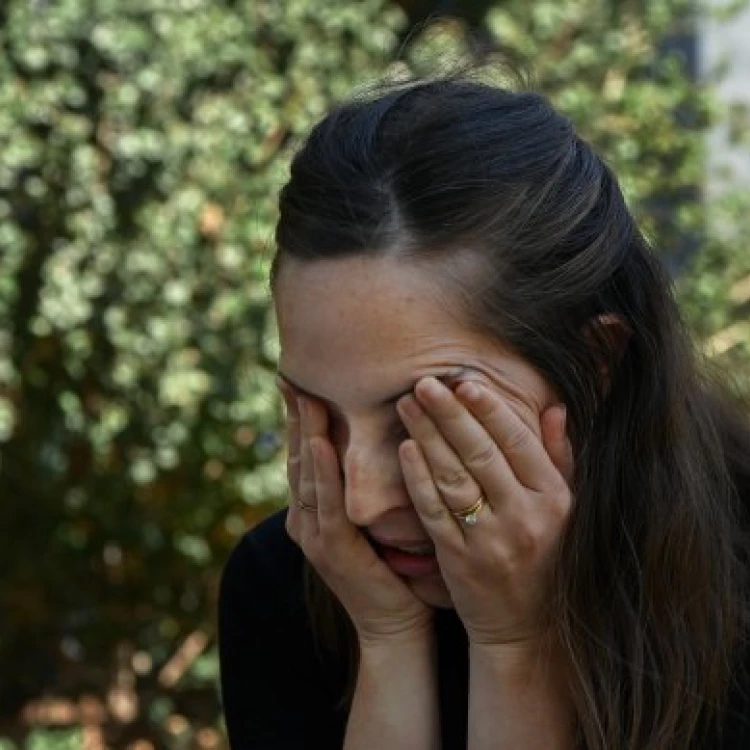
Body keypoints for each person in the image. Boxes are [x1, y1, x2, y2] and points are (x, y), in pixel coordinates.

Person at [217, 70, 750, 749]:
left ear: (597, 365)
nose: (363, 502)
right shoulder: (285, 586)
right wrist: (387, 643)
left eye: (423, 414)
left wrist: (516, 648)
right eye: (319, 416)